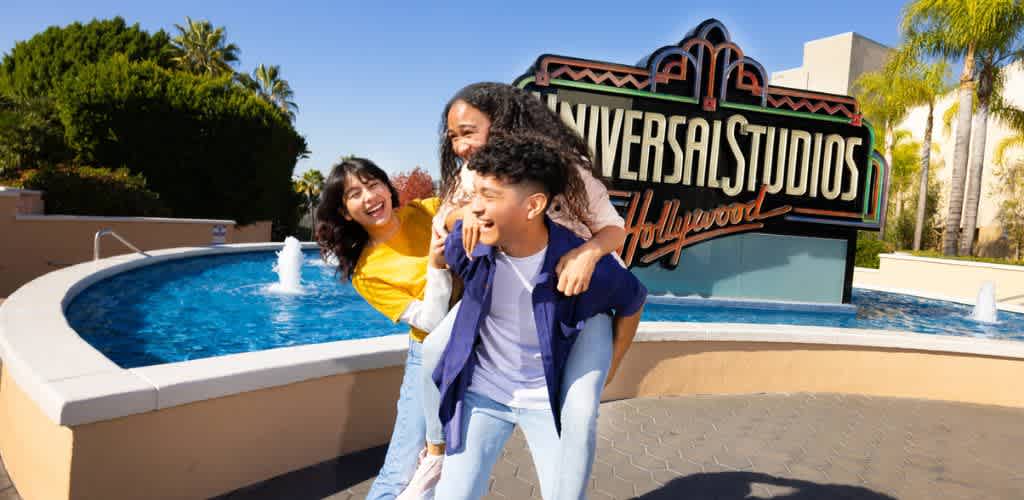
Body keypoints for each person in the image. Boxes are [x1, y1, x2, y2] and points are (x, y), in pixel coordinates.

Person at [401, 82, 635, 500]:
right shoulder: (474, 176)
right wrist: (461, 217)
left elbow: (615, 230)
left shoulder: (565, 170)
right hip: (507, 284)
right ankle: (436, 449)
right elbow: (449, 219)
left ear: (501, 123)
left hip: (576, 290)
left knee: (579, 411)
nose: (458, 145)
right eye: (452, 136)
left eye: (467, 131)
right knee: (436, 348)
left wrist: (587, 254)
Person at [315, 158, 453, 500]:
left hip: (477, 344)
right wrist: (436, 264)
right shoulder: (367, 273)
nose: (369, 196)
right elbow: (432, 322)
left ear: (387, 188)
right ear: (346, 212)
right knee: (401, 470)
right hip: (429, 359)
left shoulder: (423, 211)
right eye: (354, 193)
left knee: (451, 466)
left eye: (373, 183)